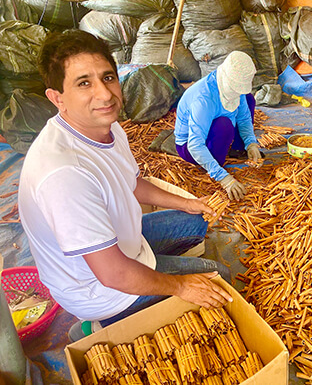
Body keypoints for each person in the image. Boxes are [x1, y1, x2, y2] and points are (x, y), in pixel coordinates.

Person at [18, 30, 233, 342]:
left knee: (196, 221)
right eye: (84, 83)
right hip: (100, 288)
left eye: (108, 78)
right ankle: (102, 322)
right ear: (57, 98)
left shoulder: (107, 126)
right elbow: (113, 273)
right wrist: (182, 286)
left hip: (121, 244)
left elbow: (130, 183)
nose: (105, 95)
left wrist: (188, 203)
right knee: (218, 277)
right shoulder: (63, 173)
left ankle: (149, 289)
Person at [174, 51, 261, 201]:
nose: (238, 93)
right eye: (236, 88)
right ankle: (214, 163)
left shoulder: (232, 87)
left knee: (248, 99)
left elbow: (244, 117)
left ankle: (237, 149)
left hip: (214, 129)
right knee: (223, 125)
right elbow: (195, 145)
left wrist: (251, 143)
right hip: (189, 147)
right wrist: (224, 178)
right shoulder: (204, 99)